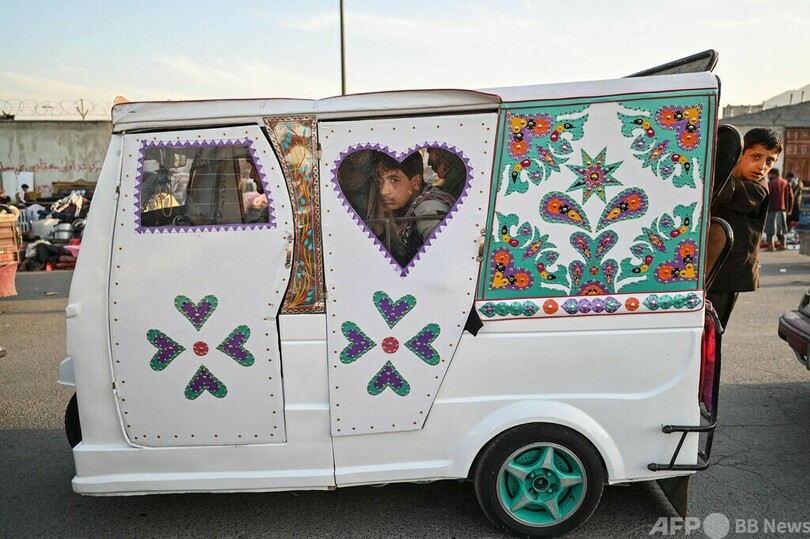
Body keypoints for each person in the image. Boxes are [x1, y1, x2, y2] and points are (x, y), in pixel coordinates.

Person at [707, 127, 782, 329]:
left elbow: (724, 189)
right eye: (756, 157)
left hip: (728, 275)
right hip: (709, 269)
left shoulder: (758, 189)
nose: (762, 166)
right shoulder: (731, 175)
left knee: (712, 329)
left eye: (770, 161)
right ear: (740, 154)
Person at [373, 152, 456, 267]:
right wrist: (380, 227)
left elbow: (443, 260)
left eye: (393, 180)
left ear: (416, 183)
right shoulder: (399, 209)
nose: (384, 191)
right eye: (381, 181)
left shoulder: (427, 210)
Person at [764, 168, 793, 250]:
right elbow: (791, 197)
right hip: (783, 209)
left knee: (770, 229)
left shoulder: (771, 183)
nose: (768, 176)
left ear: (773, 174)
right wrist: (789, 209)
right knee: (782, 228)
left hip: (772, 209)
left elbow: (767, 197)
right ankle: (783, 245)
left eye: (769, 174)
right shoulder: (786, 183)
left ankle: (771, 246)